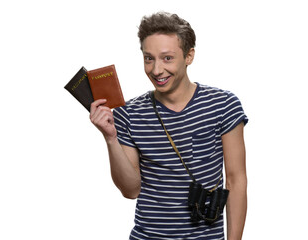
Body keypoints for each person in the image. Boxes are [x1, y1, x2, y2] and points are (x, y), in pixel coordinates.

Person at [90, 12, 248, 240]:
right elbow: (131, 190)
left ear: (189, 56)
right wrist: (110, 138)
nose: (156, 70)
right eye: (148, 58)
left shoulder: (223, 105)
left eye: (167, 58)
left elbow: (236, 179)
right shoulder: (128, 113)